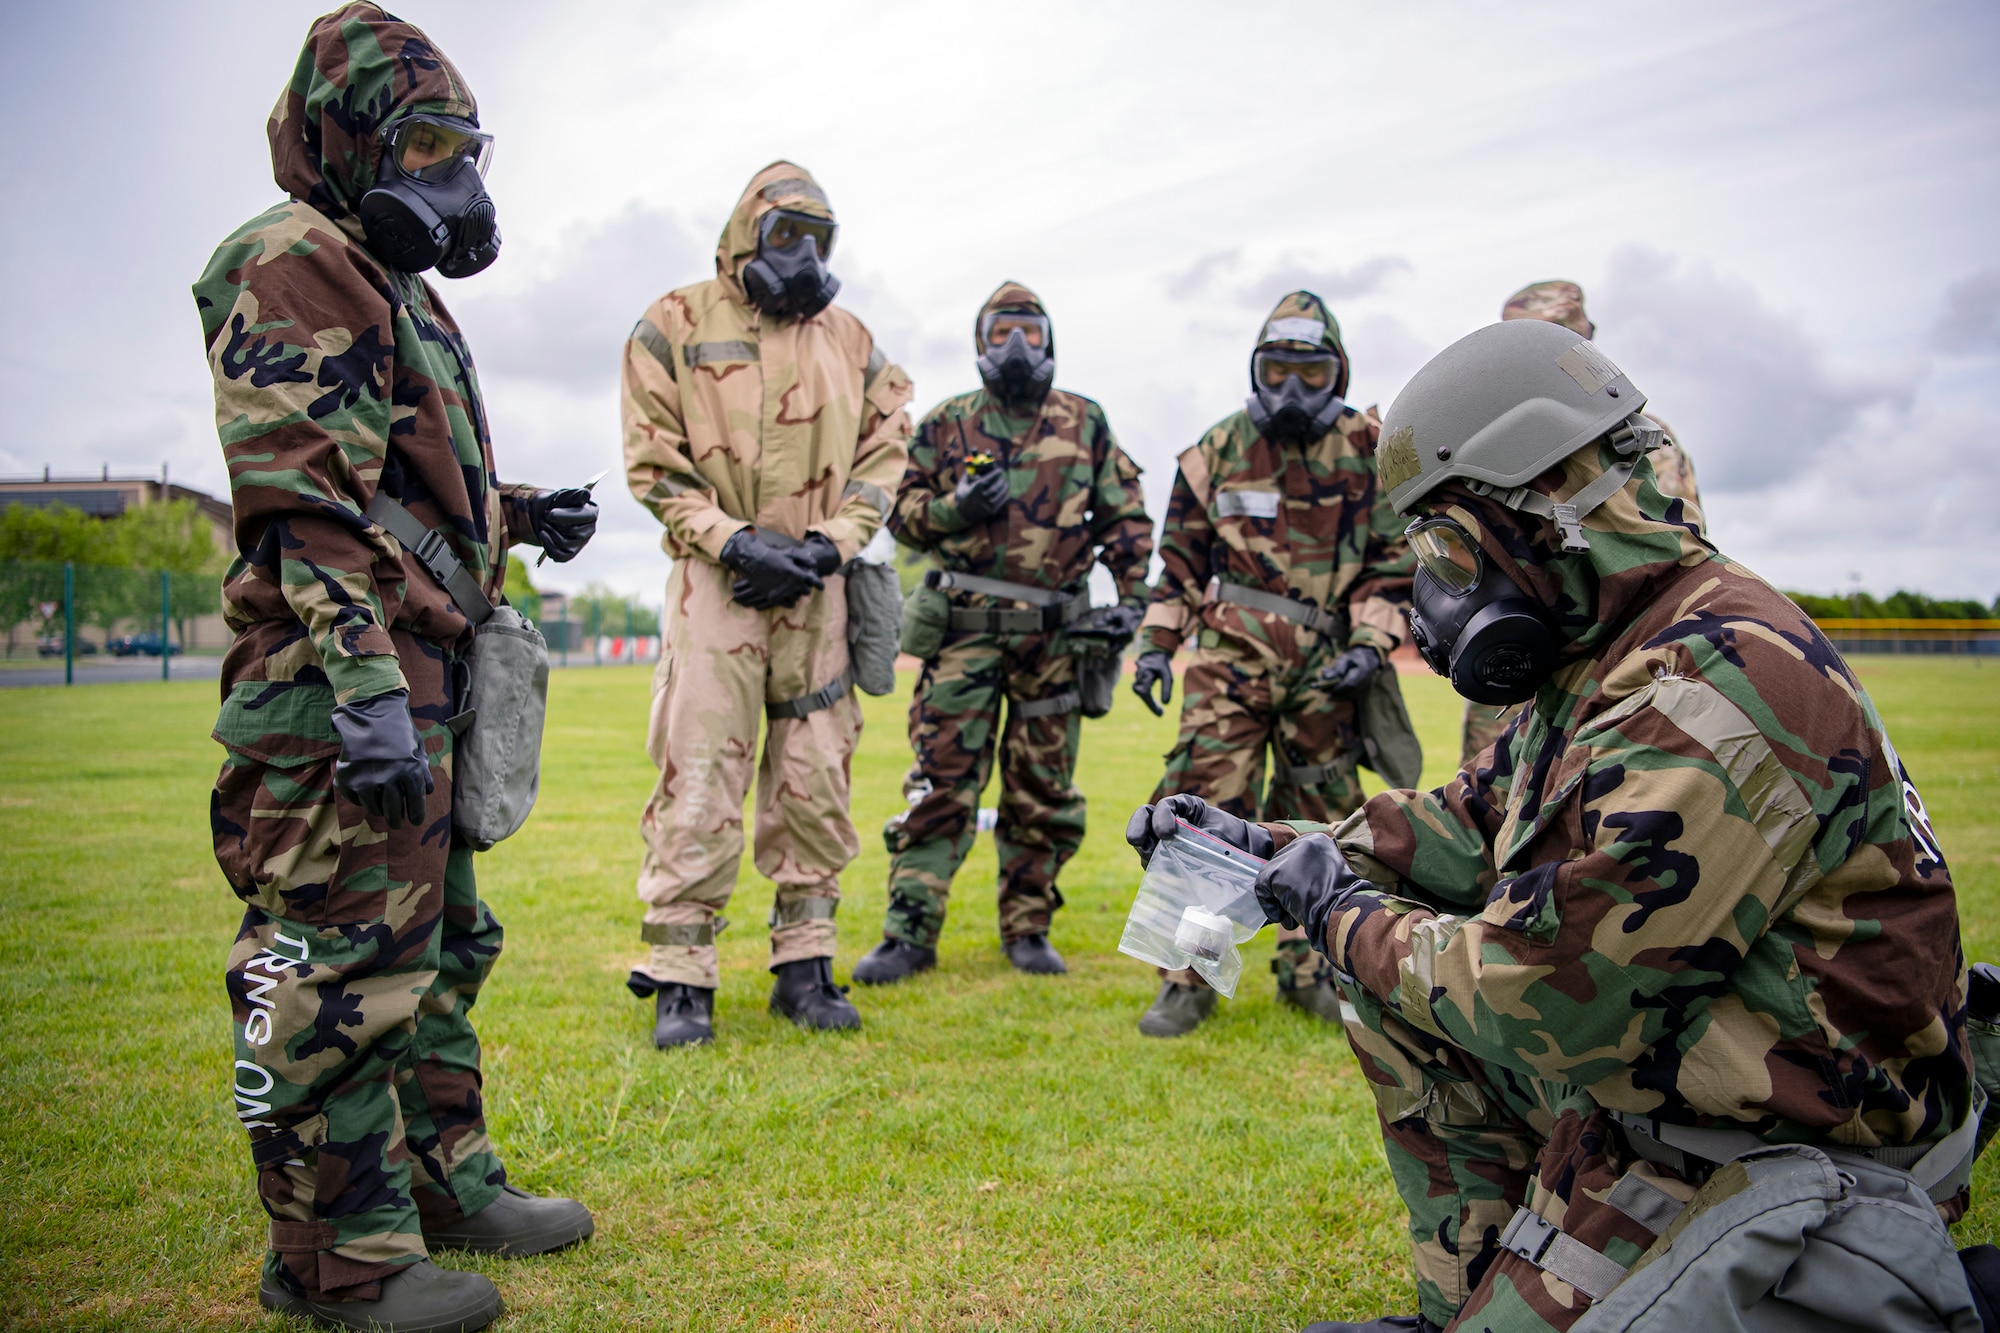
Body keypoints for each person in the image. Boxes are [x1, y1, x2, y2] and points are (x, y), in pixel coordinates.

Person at [1130, 317, 1975, 1333]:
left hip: (1785, 1144)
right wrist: (1265, 846)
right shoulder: (1614, 648)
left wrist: (1337, 910)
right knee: (1384, 971)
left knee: (1385, 952)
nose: (1434, 597)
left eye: (1447, 549)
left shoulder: (1712, 687)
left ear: (1550, 511)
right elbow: (1474, 822)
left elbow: (1551, 998)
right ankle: (1478, 1289)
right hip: (1679, 1082)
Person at [194, 7, 596, 1329]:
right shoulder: (297, 257)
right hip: (341, 679)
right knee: (329, 966)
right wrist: (363, 684)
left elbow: (390, 478)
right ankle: (331, 1262)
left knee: (436, 949)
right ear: (345, 137)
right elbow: (305, 500)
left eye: (463, 148)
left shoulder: (392, 282)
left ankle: (440, 1182)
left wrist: (516, 512)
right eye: (421, 143)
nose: (451, 178)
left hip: (419, 673)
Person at [620, 161, 913, 1048]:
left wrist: (828, 544)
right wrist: (734, 541)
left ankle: (805, 967)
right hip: (720, 589)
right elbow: (653, 459)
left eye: (818, 239)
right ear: (748, 233)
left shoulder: (855, 341)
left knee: (816, 776)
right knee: (700, 771)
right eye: (786, 236)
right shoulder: (672, 323)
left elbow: (886, 449)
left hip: (818, 593)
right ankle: (682, 978)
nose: (804, 255)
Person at [851, 281, 1153, 984]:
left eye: (1030, 332)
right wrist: (956, 509)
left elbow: (1127, 522)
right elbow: (898, 508)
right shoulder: (950, 421)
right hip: (964, 636)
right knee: (942, 782)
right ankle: (910, 930)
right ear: (978, 342)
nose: (1016, 347)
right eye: (1000, 333)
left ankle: (1028, 926)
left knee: (1041, 787)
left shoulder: (1085, 421)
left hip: (1053, 639)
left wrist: (1133, 605)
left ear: (1051, 340)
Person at [1128, 291, 1412, 1037]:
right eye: (1277, 370)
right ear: (1255, 370)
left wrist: (1369, 644)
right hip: (1229, 665)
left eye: (1310, 373)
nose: (1291, 389)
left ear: (1339, 373)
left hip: (1326, 668)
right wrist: (1157, 645)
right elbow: (1179, 567)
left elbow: (1393, 564)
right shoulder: (1215, 451)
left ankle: (1313, 969)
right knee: (1201, 817)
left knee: (1321, 820)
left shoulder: (1371, 451)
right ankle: (1185, 977)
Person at [1459, 280, 1707, 767]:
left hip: (1616, 668)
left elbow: (1665, 560)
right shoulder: (1485, 451)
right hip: (1517, 660)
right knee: (1492, 805)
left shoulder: (1635, 438)